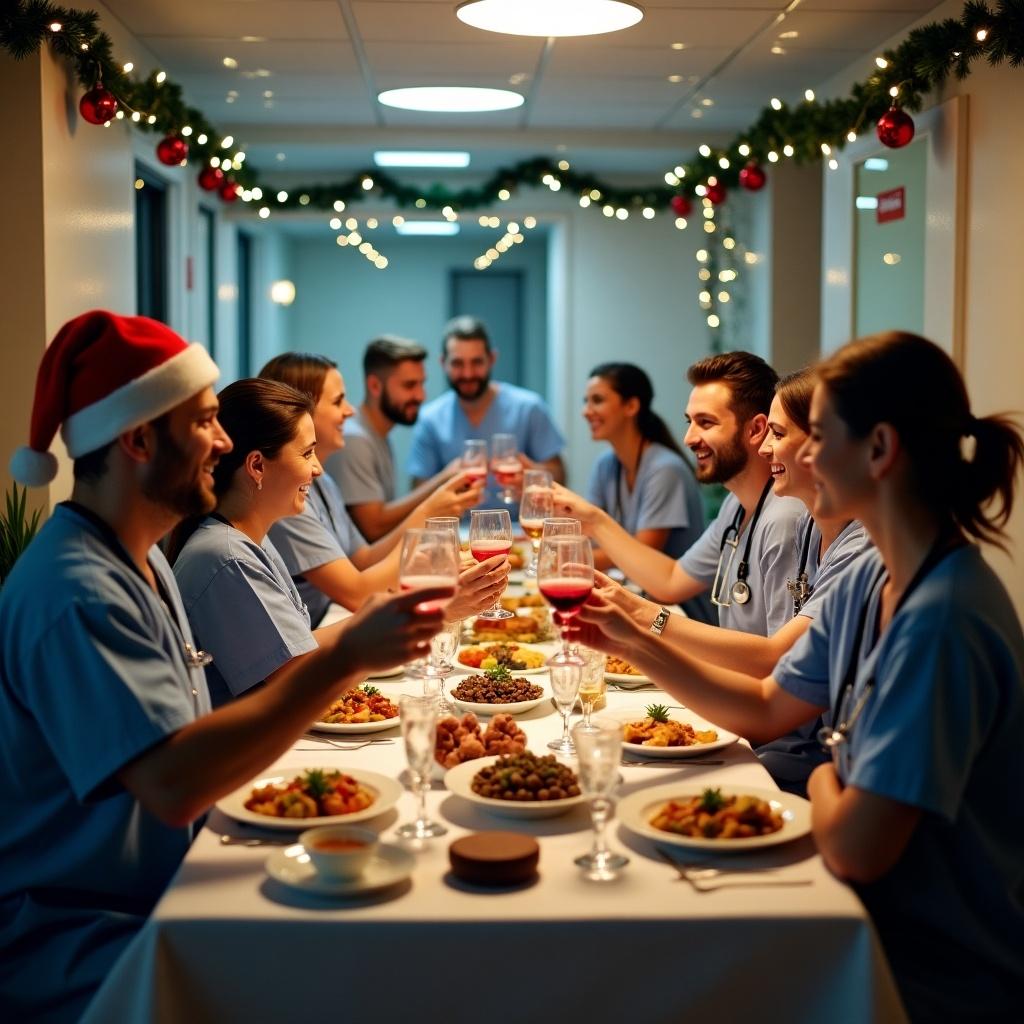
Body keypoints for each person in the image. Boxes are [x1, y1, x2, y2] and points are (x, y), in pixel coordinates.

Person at [0, 311, 448, 1023]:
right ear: (139, 438)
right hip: (87, 935)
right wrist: (351, 657)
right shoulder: (76, 591)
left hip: (163, 883)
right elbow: (173, 783)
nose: (224, 442)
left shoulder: (140, 557)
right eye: (206, 422)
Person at [578, 332, 1024, 1021]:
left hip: (932, 965)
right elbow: (764, 706)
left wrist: (827, 771)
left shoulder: (942, 619)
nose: (795, 455)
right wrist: (632, 639)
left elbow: (856, 849)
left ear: (878, 450)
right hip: (873, 913)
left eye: (816, 436)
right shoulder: (867, 577)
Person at [586, 368, 872, 792]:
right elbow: (672, 579)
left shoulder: (811, 529)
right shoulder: (802, 524)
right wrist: (632, 629)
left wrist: (642, 620)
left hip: (798, 759)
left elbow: (773, 664)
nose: (766, 447)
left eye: (777, 432)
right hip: (789, 748)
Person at [555, 350, 805, 638]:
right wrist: (593, 520)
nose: (689, 438)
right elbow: (672, 580)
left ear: (756, 429)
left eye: (706, 423)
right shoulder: (736, 506)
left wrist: (648, 618)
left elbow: (778, 664)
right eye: (690, 422)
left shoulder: (783, 519)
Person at [258, 352, 507, 627]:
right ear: (299, 412)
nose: (350, 411)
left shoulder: (323, 482)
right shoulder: (288, 498)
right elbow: (356, 593)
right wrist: (428, 514)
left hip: (331, 623)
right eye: (339, 400)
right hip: (318, 631)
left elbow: (364, 558)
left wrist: (428, 528)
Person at [581, 362, 713, 624]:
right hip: (641, 600)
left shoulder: (666, 470)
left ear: (631, 406)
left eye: (597, 400)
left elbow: (642, 552)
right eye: (586, 401)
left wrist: (560, 556)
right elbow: (587, 533)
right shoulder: (606, 464)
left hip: (682, 615)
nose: (586, 411)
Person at [328, 335, 466, 542]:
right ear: (375, 386)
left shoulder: (379, 434)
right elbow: (373, 528)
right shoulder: (355, 440)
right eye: (410, 385)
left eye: (422, 384)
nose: (421, 395)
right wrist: (443, 480)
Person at [408, 315, 567, 490]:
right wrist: (445, 480)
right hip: (456, 518)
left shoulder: (529, 408)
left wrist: (533, 475)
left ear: (492, 359)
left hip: (518, 518)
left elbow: (560, 474)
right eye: (457, 363)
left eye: (476, 362)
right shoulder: (430, 419)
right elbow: (418, 490)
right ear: (443, 363)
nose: (467, 374)